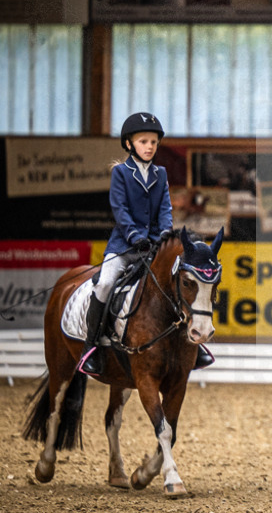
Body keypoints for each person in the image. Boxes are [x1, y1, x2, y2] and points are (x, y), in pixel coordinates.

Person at [78, 112, 213, 377]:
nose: (149, 146)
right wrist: (135, 238)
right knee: (105, 284)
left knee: (174, 284)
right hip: (124, 246)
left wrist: (163, 235)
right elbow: (120, 210)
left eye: (153, 142)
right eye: (143, 141)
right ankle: (91, 347)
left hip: (153, 248)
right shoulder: (120, 173)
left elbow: (165, 208)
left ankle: (193, 347)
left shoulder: (160, 174)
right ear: (129, 144)